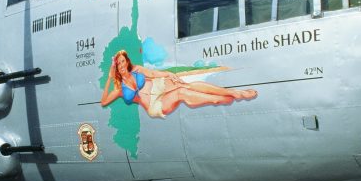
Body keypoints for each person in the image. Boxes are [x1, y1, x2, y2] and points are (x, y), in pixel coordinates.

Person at [100, 50, 256, 118]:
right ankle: (220, 98)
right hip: (154, 104)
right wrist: (109, 78)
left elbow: (153, 74)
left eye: (123, 61)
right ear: (116, 67)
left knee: (184, 84)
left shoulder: (137, 70)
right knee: (181, 92)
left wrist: (168, 74)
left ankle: (231, 93)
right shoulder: (119, 89)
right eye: (118, 63)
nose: (121, 65)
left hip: (158, 87)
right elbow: (104, 102)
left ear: (127, 61)